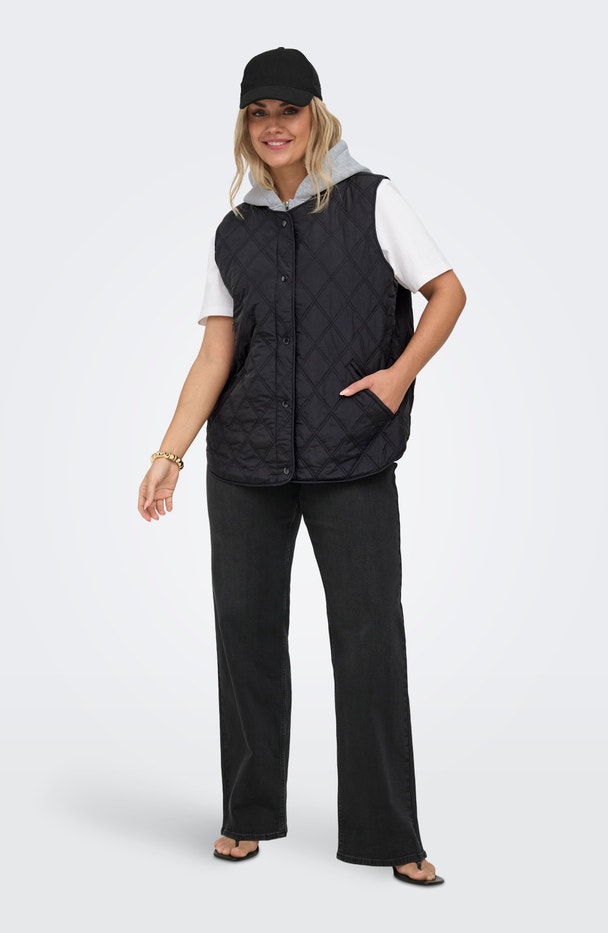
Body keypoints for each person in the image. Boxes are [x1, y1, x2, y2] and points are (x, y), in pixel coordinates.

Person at [138, 47, 466, 886]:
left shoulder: (373, 199)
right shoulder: (234, 231)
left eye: (287, 110)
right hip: (243, 461)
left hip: (352, 453)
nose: (273, 125)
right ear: (245, 126)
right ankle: (247, 814)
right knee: (246, 634)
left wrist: (397, 377)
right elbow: (215, 355)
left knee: (368, 638)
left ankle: (391, 833)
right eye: (258, 113)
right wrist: (170, 452)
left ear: (316, 115)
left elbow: (447, 291)